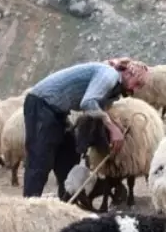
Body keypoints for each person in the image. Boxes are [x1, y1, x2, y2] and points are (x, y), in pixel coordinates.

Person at [22, 58, 150, 198]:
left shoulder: (114, 91)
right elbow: (88, 103)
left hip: (59, 113)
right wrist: (113, 128)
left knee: (69, 155)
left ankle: (65, 203)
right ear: (127, 74)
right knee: (40, 159)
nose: (135, 90)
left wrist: (117, 129)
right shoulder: (109, 75)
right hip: (41, 105)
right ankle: (29, 205)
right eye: (137, 84)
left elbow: (100, 110)